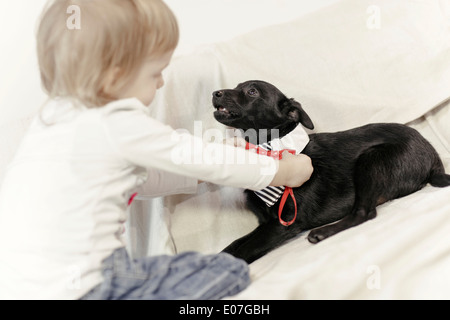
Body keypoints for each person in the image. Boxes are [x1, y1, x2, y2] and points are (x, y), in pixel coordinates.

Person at [0, 0, 313, 300]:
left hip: (21, 290)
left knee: (167, 270)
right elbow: (200, 156)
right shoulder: (115, 121)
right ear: (115, 75)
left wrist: (201, 179)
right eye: (154, 73)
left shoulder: (51, 124)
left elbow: (142, 178)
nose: (162, 83)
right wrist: (281, 171)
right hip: (92, 287)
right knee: (226, 271)